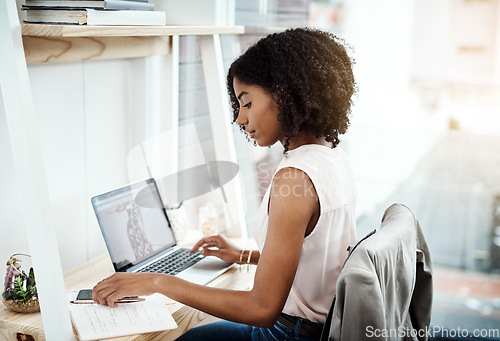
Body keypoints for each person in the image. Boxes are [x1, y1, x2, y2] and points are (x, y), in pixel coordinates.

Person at [92, 27, 358, 341]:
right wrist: (245, 255)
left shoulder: (295, 177)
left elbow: (262, 309)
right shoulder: (331, 156)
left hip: (287, 334)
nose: (240, 119)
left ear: (283, 94)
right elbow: (317, 254)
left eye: (246, 103)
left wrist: (156, 281)